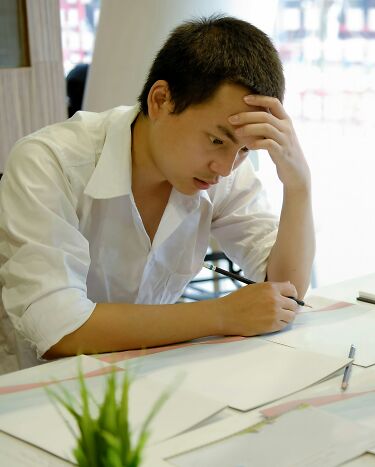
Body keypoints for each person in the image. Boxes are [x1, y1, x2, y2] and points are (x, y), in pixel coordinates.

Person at [0, 15, 315, 371]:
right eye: (216, 140)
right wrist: (222, 314)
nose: (226, 168)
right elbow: (59, 329)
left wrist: (298, 184)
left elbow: (286, 292)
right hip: (39, 396)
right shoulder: (49, 162)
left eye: (245, 151)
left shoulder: (222, 171)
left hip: (152, 380)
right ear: (161, 100)